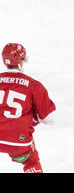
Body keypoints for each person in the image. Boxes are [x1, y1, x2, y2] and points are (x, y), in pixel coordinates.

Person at [0, 43, 56, 173]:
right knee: (31, 160)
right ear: (20, 61)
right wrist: (33, 117)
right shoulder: (34, 85)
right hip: (18, 143)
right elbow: (49, 119)